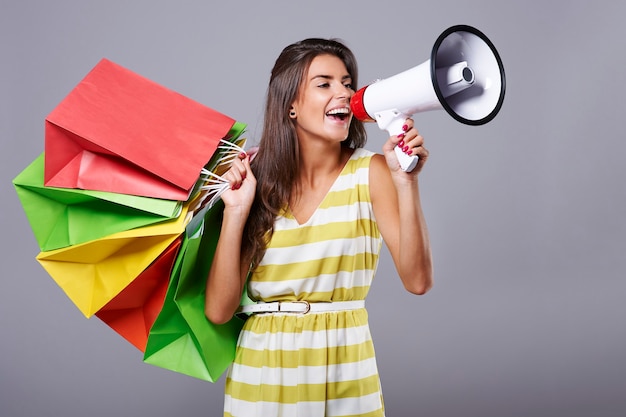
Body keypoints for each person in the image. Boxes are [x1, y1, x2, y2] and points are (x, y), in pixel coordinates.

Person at [205, 37, 433, 417]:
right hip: (261, 380)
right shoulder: (255, 182)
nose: (343, 93)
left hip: (345, 373)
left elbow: (418, 281)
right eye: (324, 83)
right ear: (291, 105)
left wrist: (406, 182)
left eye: (347, 82)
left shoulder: (371, 172)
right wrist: (236, 209)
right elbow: (218, 310)